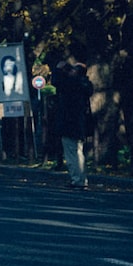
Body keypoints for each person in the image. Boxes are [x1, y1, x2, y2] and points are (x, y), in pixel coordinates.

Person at [54, 47, 93, 190]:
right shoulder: (85, 85)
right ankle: (81, 178)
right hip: (80, 123)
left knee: (71, 153)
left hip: (69, 123)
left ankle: (77, 179)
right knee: (78, 152)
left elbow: (57, 82)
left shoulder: (71, 84)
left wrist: (59, 69)